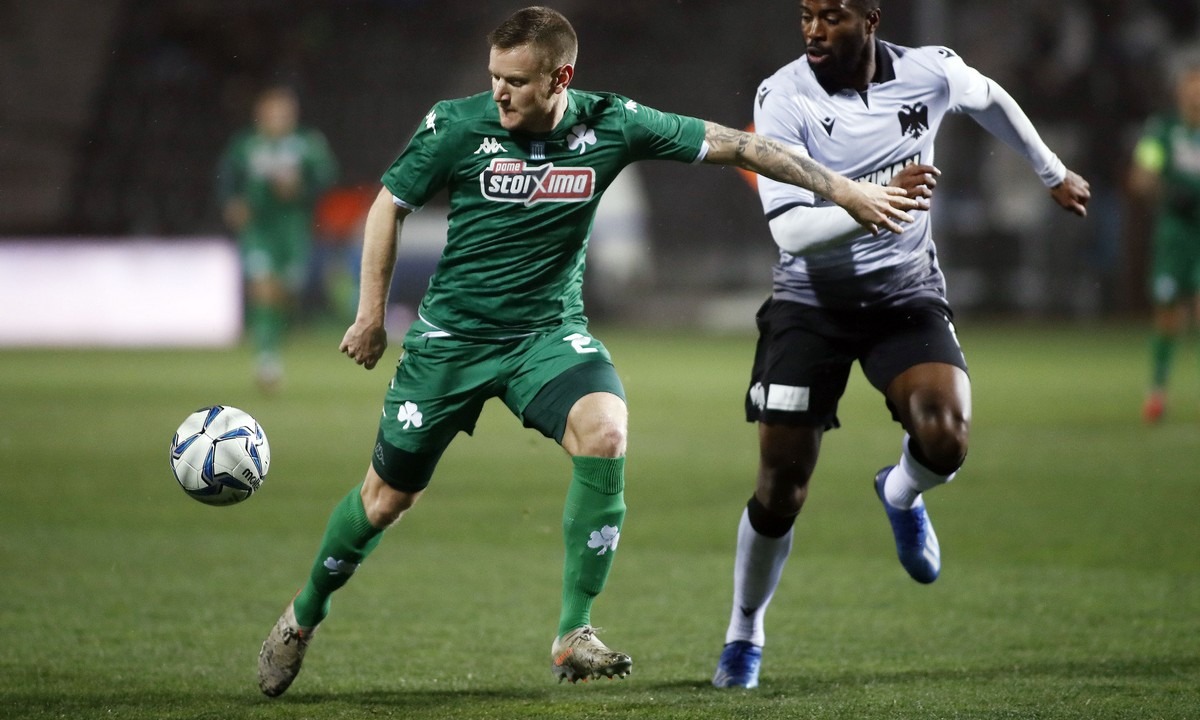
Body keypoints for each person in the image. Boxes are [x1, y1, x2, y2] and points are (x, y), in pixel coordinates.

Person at [256, 5, 919, 697]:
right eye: (494, 77)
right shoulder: (455, 125)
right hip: (452, 343)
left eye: (515, 81)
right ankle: (303, 616)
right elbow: (387, 206)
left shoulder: (612, 123)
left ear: (560, 78)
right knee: (386, 499)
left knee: (605, 432)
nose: (499, 93)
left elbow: (742, 147)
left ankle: (573, 632)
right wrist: (370, 315)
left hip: (548, 338)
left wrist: (845, 191)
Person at [711, 0, 1090, 689]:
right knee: (782, 486)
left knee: (947, 438)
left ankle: (902, 492)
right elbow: (790, 231)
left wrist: (1051, 171)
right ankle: (745, 631)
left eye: (832, 15)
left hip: (903, 296)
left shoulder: (929, 72)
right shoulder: (783, 96)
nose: (814, 29)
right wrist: (870, 199)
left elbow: (989, 98)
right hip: (810, 306)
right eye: (806, 14)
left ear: (871, 18)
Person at [216, 85, 338, 392]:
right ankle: (266, 358)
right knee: (263, 287)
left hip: (293, 227)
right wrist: (232, 203)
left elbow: (326, 177)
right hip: (259, 227)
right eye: (274, 112)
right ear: (261, 113)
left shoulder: (307, 143)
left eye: (285, 113)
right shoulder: (246, 144)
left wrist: (301, 187)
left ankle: (273, 344)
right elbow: (227, 176)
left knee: (285, 292)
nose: (279, 118)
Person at [1128, 53, 1200, 424]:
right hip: (1173, 233)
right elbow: (1143, 172)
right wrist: (1159, 186)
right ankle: (1157, 392)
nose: (1196, 93)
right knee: (1168, 315)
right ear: (1180, 90)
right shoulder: (1163, 130)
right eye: (1191, 85)